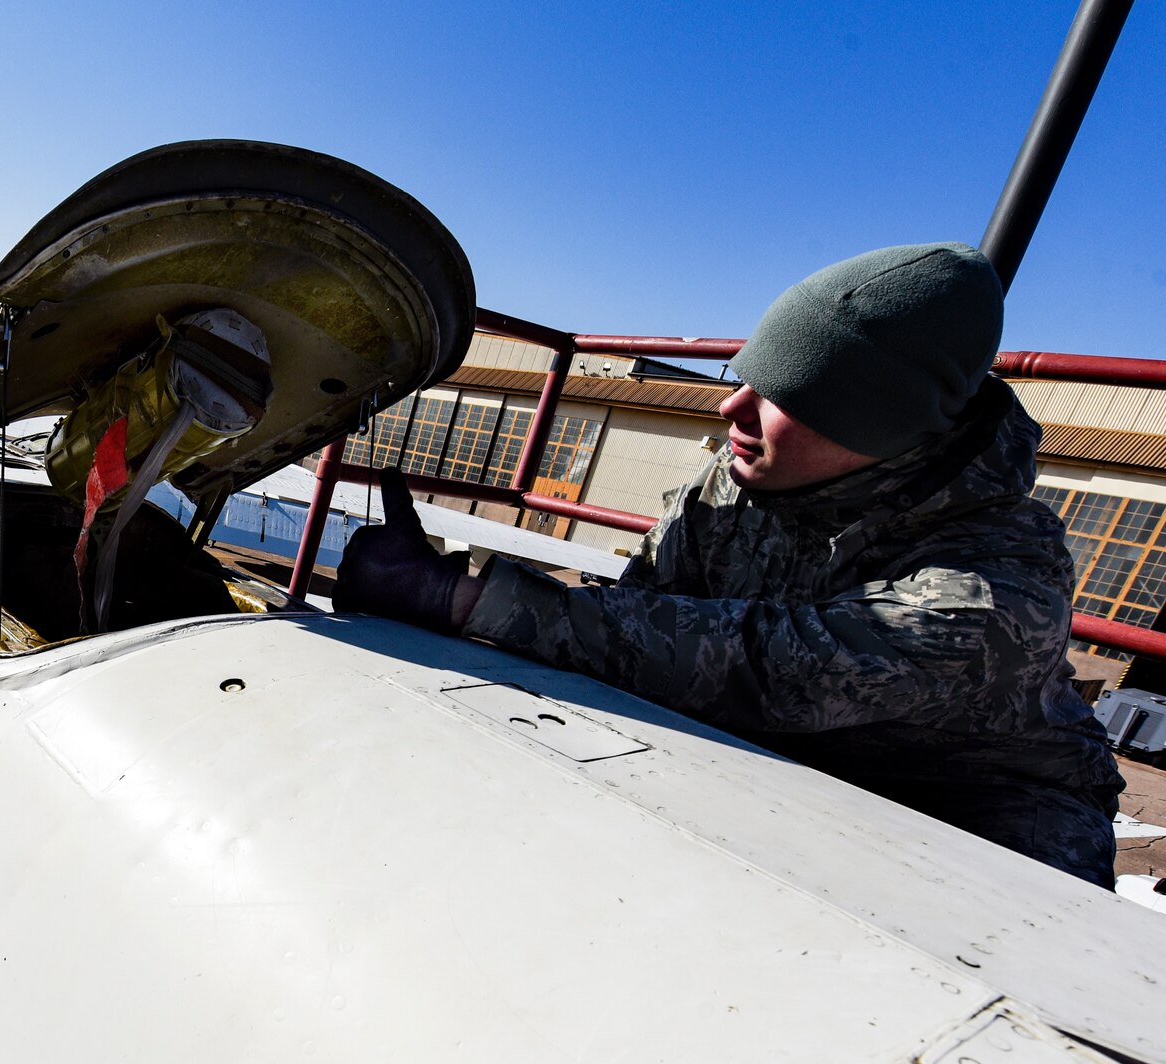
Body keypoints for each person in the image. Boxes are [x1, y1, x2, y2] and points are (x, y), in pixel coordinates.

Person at [335, 242, 1122, 886]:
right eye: (747, 375)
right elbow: (642, 621)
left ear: (879, 427)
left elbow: (769, 670)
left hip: (970, 819)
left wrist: (462, 599)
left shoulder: (999, 580)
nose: (731, 407)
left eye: (787, 394)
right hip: (785, 766)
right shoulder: (741, 480)